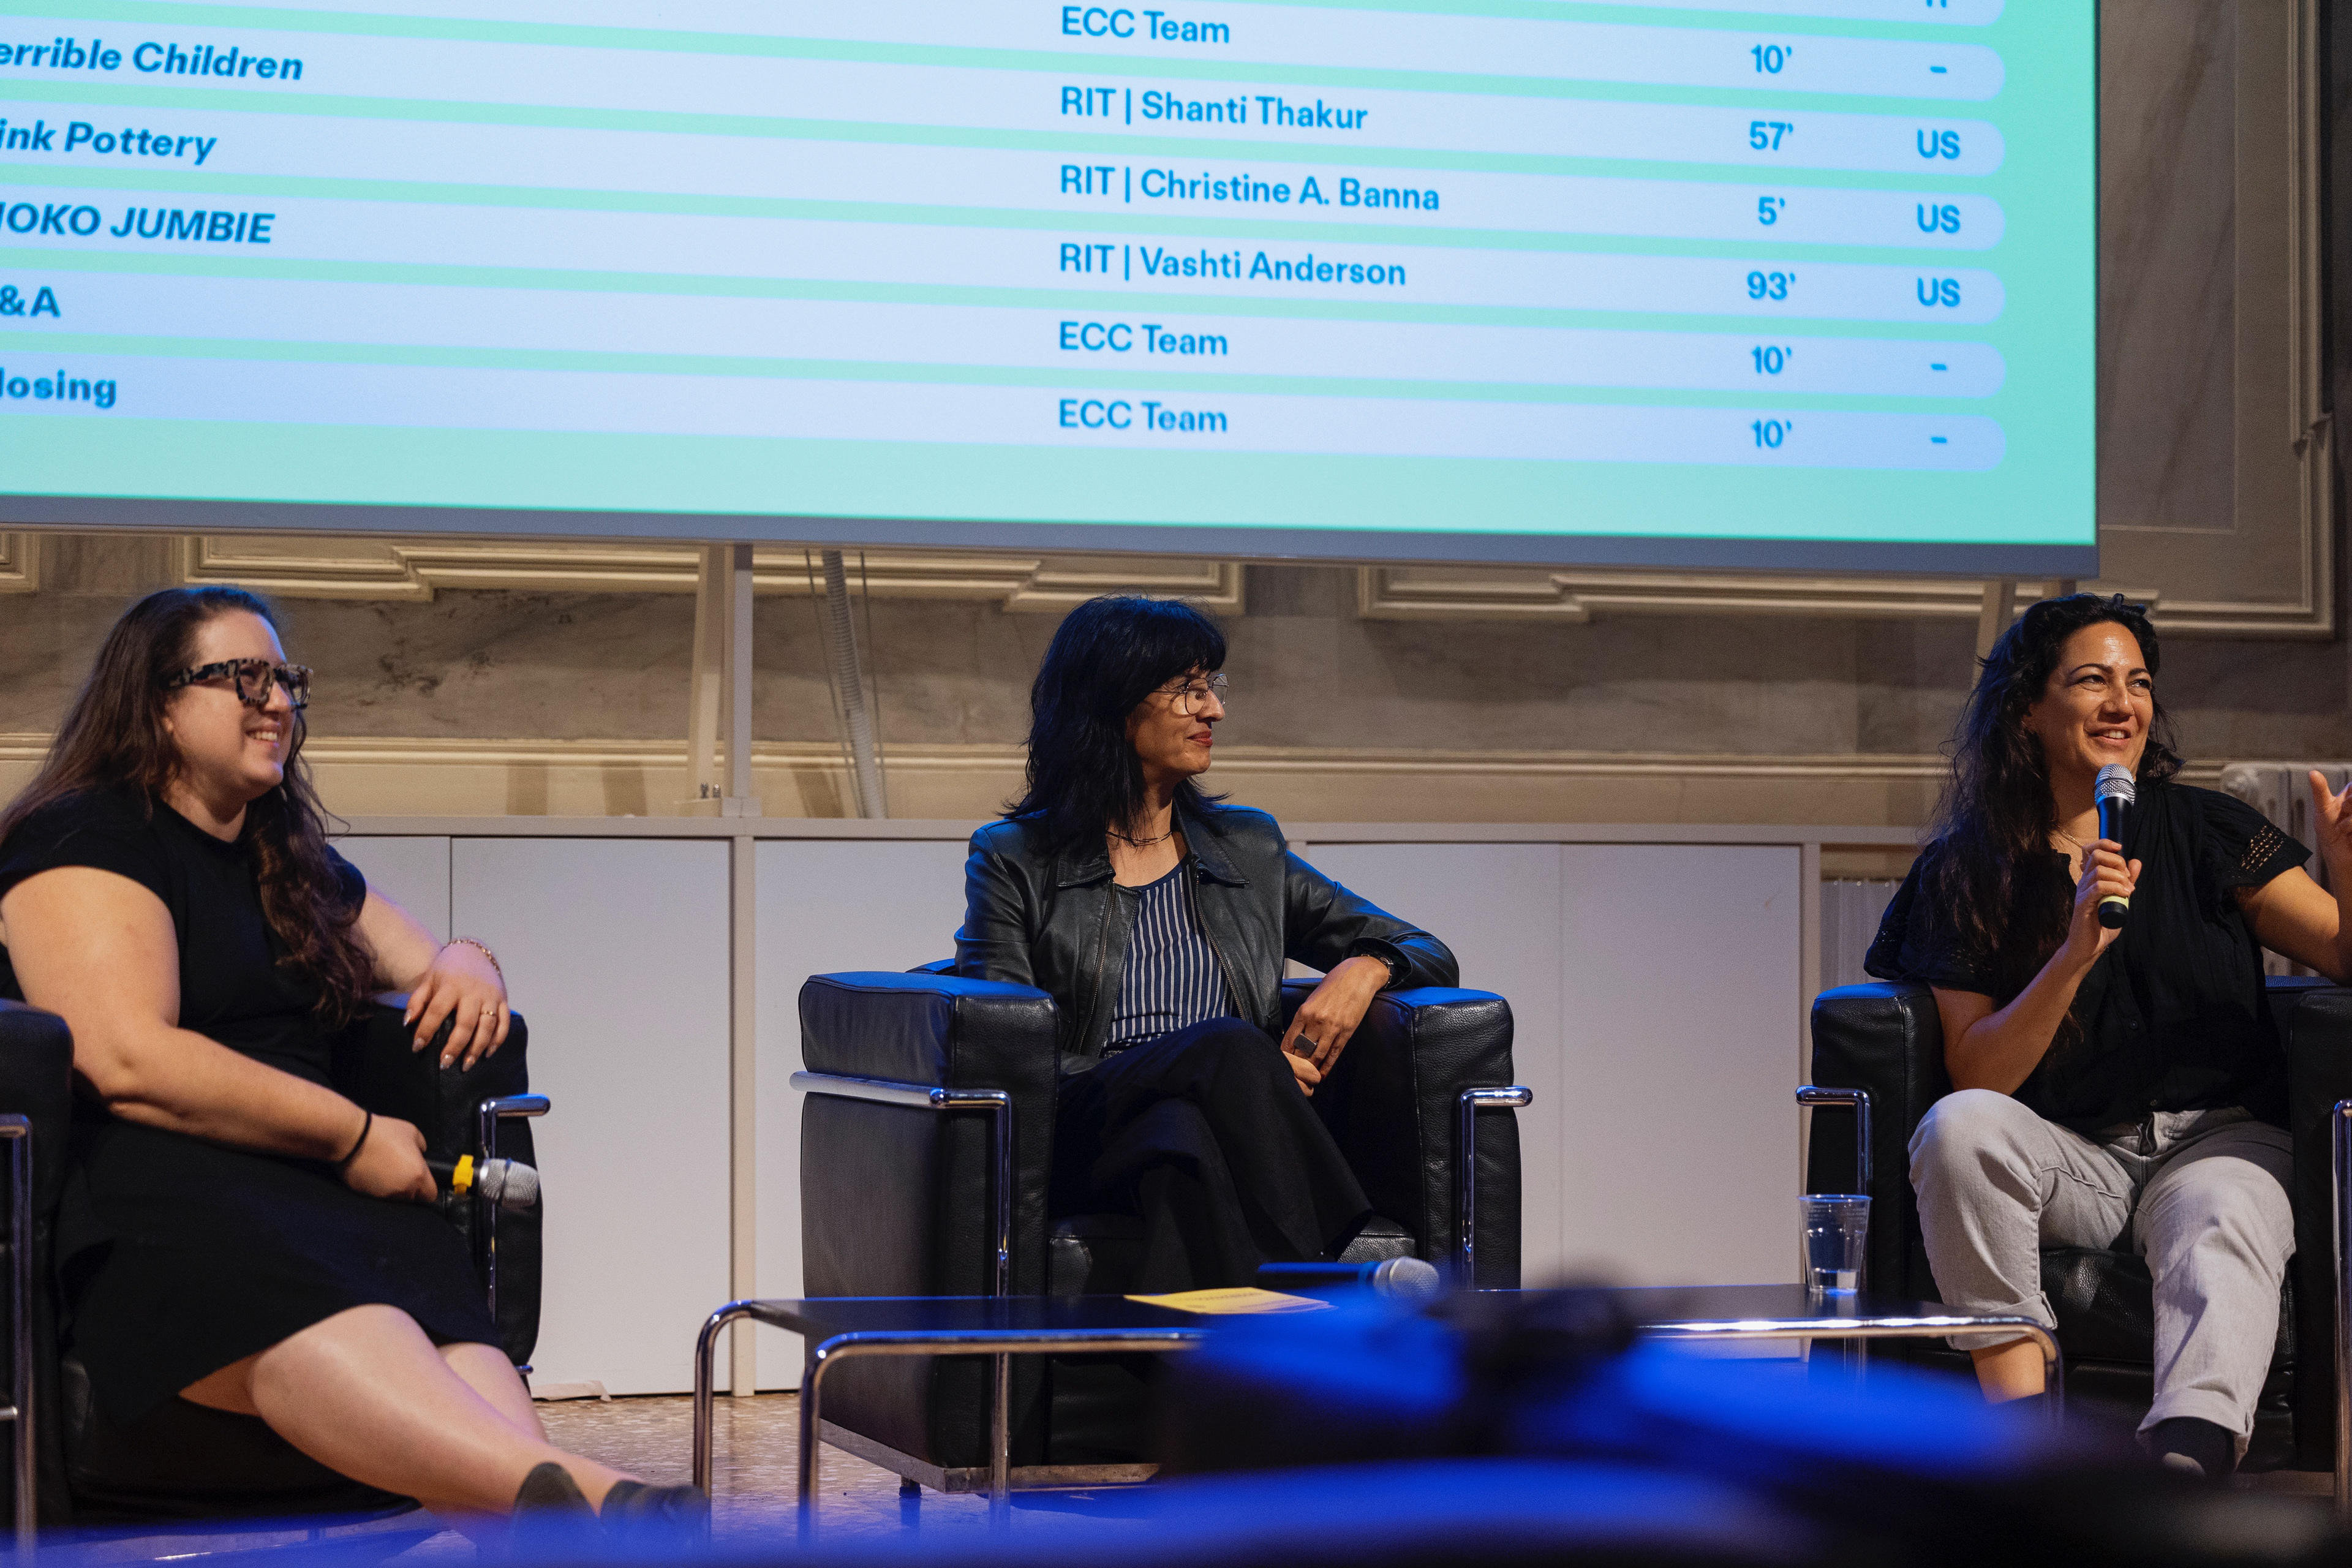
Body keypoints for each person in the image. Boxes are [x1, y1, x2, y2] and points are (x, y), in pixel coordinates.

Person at [0, 587, 700, 1536]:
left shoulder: (281, 855)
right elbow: (125, 1056)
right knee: (319, 1290)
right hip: (157, 1183)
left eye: (286, 679)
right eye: (242, 679)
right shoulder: (84, 835)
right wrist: (355, 1134)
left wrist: (469, 959)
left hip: (314, 1179)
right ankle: (592, 1503)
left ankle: (566, 1515)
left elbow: (426, 958)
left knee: (429, 1302)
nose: (277, 703)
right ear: (158, 703)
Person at [1868, 593, 2352, 1480]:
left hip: (2219, 1137)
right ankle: (2029, 1449)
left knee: (2223, 1209)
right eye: (2092, 680)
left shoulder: (2206, 829)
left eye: (2139, 683)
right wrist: (2074, 953)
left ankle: (2186, 1464)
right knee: (1956, 1129)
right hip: (2074, 1156)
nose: (2122, 704)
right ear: (2028, 707)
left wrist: (2348, 868)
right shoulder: (1969, 869)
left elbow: (2343, 955)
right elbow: (1978, 1074)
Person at [955, 595, 1457, 1291]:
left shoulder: (1246, 847)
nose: (1214, 710)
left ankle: (1200, 1354)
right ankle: (1325, 1274)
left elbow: (1425, 949)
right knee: (1224, 1046)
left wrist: (1364, 969)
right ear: (1113, 702)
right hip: (1083, 1123)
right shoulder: (1015, 856)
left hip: (1204, 1121)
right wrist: (1218, 1062)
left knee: (1182, 1140)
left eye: (1212, 687)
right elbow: (1004, 1044)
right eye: (1189, 690)